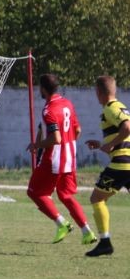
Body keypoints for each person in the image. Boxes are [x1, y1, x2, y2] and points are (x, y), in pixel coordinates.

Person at [26, 73, 96, 244]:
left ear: (43, 89)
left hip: (53, 160)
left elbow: (56, 138)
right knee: (66, 195)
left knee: (35, 192)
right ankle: (87, 232)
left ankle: (62, 223)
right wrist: (67, 145)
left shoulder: (49, 110)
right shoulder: (67, 104)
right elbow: (77, 130)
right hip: (69, 158)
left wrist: (36, 145)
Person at [84, 75, 130, 257]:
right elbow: (122, 134)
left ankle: (105, 243)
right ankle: (104, 243)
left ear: (99, 92)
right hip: (127, 161)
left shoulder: (111, 108)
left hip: (121, 164)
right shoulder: (120, 106)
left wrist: (111, 145)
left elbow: (127, 128)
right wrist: (103, 144)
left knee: (97, 198)